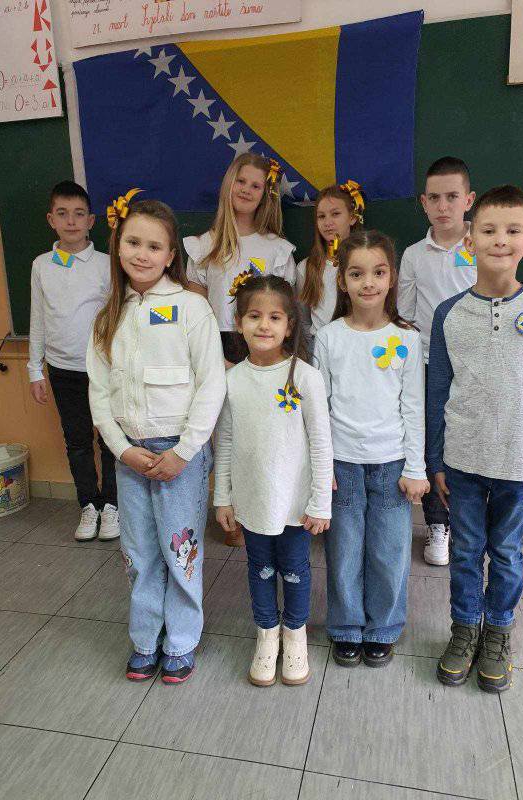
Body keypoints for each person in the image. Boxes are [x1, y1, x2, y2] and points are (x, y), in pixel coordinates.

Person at [428, 185, 523, 693]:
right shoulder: (448, 313)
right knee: (466, 551)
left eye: (512, 231)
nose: (500, 240)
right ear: (470, 241)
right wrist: (435, 459)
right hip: (463, 458)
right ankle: (465, 630)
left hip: (522, 458)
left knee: (506, 552)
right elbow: (438, 388)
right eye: (488, 230)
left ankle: (498, 633)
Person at [87, 193, 226, 684]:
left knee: (180, 549)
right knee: (139, 551)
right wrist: (122, 449)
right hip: (130, 453)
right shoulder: (108, 315)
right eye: (133, 243)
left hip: (180, 454)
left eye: (154, 246)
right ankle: (146, 638)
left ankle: (181, 640)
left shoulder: (191, 308)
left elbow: (212, 384)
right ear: (117, 246)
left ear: (170, 256)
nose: (141, 254)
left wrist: (185, 452)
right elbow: (99, 392)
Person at [315, 230, 429, 669]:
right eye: (357, 274)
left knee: (389, 552)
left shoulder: (407, 337)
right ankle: (346, 627)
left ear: (392, 277)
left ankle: (383, 627)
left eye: (378, 273)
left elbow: (414, 406)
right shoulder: (329, 337)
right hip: (342, 463)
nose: (368, 283)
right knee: (344, 552)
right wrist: (322, 467)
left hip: (392, 464)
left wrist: (416, 467)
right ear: (342, 280)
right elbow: (319, 409)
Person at [214, 274, 333, 687]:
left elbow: (321, 443)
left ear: (289, 324)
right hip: (252, 500)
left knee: (295, 569)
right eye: (254, 316)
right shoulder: (231, 380)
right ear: (238, 321)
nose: (264, 325)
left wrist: (320, 502)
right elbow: (225, 441)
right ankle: (267, 633)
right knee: (260, 568)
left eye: (275, 317)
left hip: (296, 504)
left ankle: (294, 634)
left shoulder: (306, 377)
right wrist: (223, 497)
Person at [185, 153, 296, 547]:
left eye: (257, 186)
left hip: (264, 348)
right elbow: (195, 312)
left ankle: (264, 509)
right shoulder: (204, 245)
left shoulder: (277, 249)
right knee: (223, 435)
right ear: (228, 184)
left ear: (267, 195)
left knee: (259, 434)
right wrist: (216, 358)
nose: (247, 190)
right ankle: (228, 511)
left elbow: (286, 311)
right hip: (217, 347)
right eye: (242, 181)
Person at [28, 180, 118, 541]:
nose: (71, 221)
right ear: (51, 219)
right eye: (62, 214)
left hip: (104, 370)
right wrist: (34, 369)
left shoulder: (106, 265)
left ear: (91, 221)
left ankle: (112, 505)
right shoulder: (41, 265)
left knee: (109, 439)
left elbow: (118, 318)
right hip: (62, 370)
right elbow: (37, 317)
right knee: (77, 441)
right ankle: (89, 505)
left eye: (79, 214)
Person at [397, 157, 477, 566]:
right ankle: (437, 524)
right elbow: (405, 314)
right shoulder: (414, 255)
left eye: (452, 197)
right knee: (434, 443)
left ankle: (469, 523)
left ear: (469, 200)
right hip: (430, 364)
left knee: (470, 440)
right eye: (435, 198)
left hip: (477, 364)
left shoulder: (483, 245)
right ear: (423, 203)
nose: (443, 206)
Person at [296, 181, 364, 346]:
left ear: (352, 217)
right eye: (321, 216)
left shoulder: (368, 262)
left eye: (335, 214)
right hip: (320, 346)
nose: (327, 223)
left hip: (360, 343)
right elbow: (303, 319)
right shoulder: (306, 267)